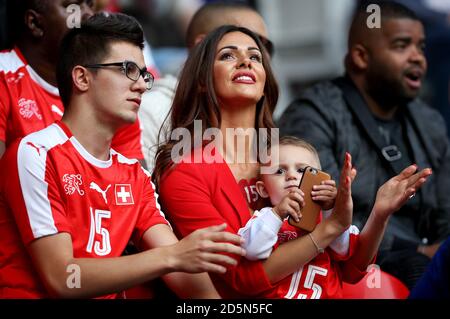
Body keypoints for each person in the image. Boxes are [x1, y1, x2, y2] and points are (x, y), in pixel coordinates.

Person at [154, 25, 431, 298]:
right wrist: (328, 228)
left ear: (264, 82)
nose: (245, 62)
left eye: (255, 57)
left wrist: (379, 215)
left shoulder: (291, 157)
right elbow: (241, 279)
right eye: (227, 55)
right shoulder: (183, 171)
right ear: (201, 81)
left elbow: (351, 269)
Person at [0, 12, 246, 299]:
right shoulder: (35, 154)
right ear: (81, 77)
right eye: (127, 69)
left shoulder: (134, 174)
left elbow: (183, 272)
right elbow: (64, 278)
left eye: (143, 74)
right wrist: (173, 256)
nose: (141, 84)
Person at [278, 1, 450, 289]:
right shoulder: (312, 114)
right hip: (353, 260)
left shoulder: (429, 120)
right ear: (360, 56)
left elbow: (446, 209)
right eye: (401, 46)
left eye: (420, 47)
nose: (418, 57)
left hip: (428, 258)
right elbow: (322, 212)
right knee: (417, 267)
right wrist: (419, 251)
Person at [237, 136, 431, 298]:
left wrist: (331, 209)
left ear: (321, 179)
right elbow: (252, 251)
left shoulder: (326, 218)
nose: (291, 176)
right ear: (262, 189)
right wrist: (277, 214)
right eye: (280, 171)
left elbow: (345, 249)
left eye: (303, 170)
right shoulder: (263, 219)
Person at [0, 0, 145, 164]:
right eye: (73, 6)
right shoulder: (3, 77)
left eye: (90, 4)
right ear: (34, 23)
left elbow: (134, 182)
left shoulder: (111, 92)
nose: (89, 14)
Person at [139, 1, 273, 171]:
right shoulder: (151, 110)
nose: (262, 56)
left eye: (261, 49)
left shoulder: (261, 117)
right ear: (201, 47)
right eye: (230, 52)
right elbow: (146, 193)